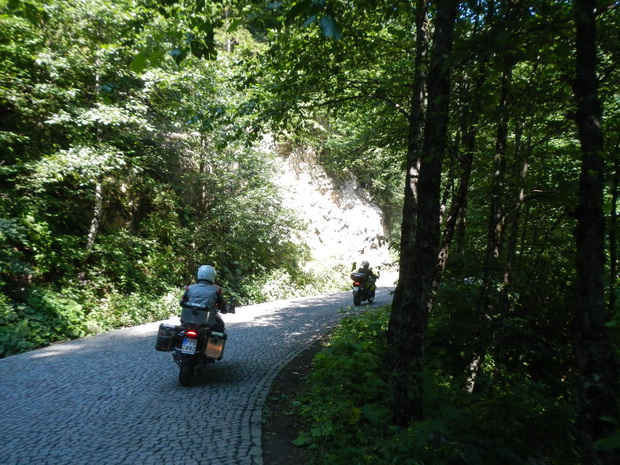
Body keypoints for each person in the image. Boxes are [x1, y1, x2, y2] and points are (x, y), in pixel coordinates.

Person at [180, 265, 228, 333]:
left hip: (187, 322)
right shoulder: (216, 291)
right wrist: (225, 310)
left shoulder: (189, 288)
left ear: (199, 274)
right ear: (212, 276)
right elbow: (223, 306)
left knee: (179, 333)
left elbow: (181, 302)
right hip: (207, 323)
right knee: (220, 331)